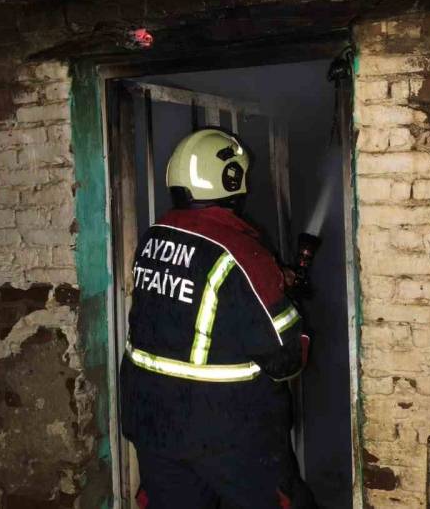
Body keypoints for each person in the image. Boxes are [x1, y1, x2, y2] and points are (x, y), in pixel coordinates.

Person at [120, 128, 314, 508]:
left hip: (151, 420)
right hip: (229, 431)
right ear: (232, 180)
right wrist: (288, 305)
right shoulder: (242, 251)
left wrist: (267, 280)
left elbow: (192, 306)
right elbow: (286, 358)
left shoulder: (153, 237)